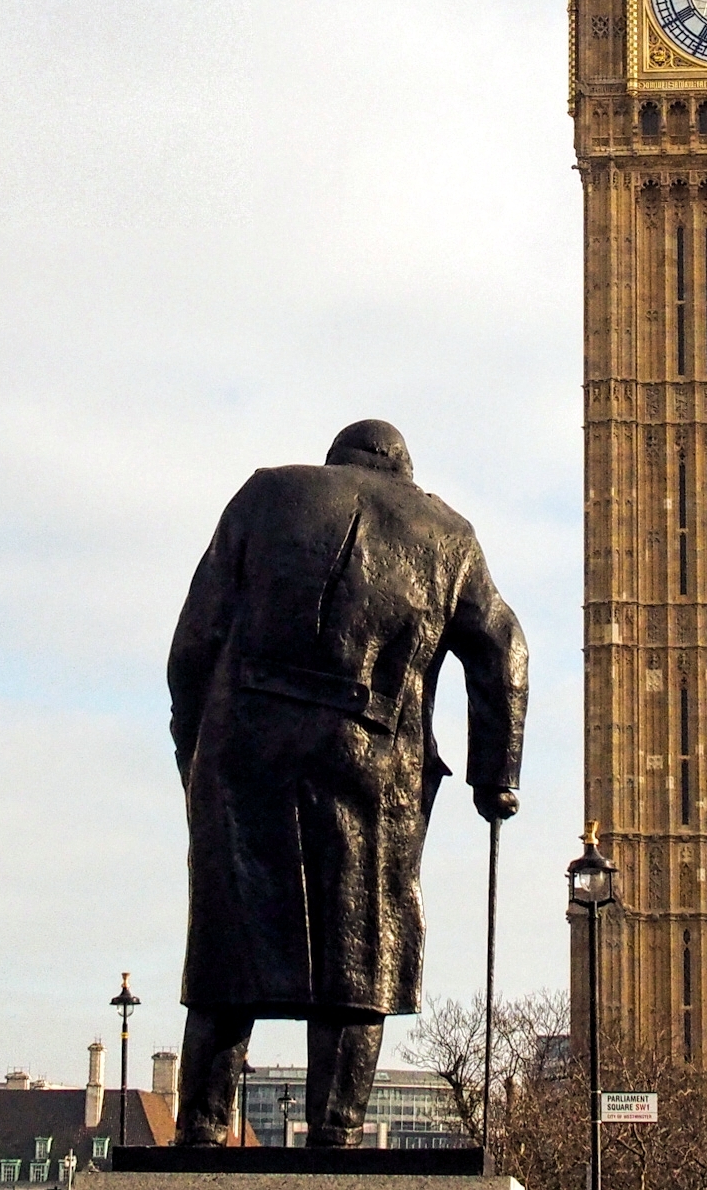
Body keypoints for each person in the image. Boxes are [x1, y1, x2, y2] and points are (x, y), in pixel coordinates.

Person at [167, 418, 527, 1147]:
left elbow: (193, 642)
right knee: (362, 944)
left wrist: (194, 748)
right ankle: (338, 1132)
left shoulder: (265, 496)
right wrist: (495, 779)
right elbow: (502, 650)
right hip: (373, 762)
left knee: (229, 945)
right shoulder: (445, 532)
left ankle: (201, 1129)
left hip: (244, 751)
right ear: (403, 471)